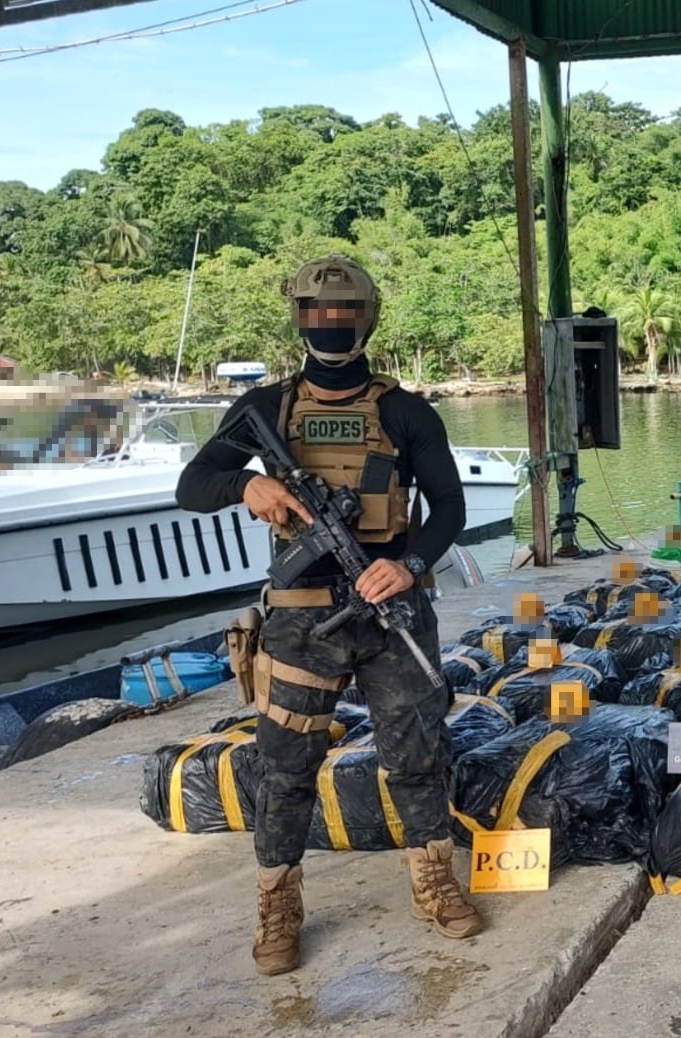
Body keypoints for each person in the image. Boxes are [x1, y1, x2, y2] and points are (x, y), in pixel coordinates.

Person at [176, 254, 480, 977]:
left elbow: (451, 509)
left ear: (365, 318)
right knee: (284, 768)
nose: (330, 326)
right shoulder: (267, 411)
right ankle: (278, 904)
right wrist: (249, 485)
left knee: (415, 754)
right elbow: (193, 484)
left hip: (389, 608)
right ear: (299, 318)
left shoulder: (406, 411)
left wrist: (404, 564)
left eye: (343, 315)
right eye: (315, 314)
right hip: (298, 620)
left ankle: (433, 882)